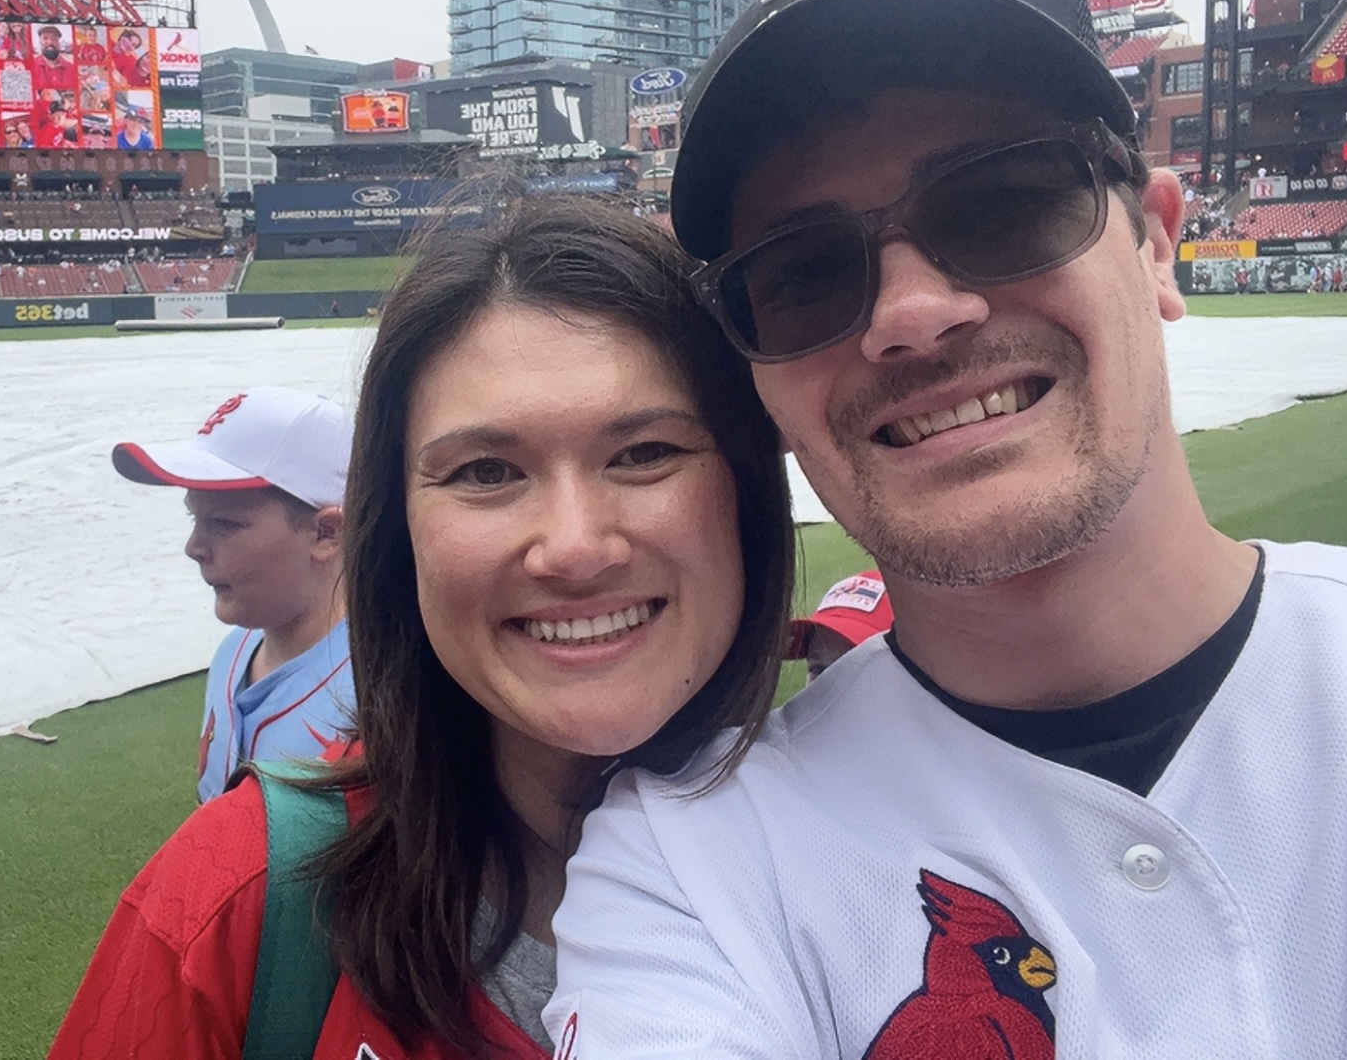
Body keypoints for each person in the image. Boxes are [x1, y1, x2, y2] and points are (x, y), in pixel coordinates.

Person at [545, 0, 1347, 1056]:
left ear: (1159, 245)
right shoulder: (691, 868)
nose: (912, 312)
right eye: (802, 275)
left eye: (1002, 205)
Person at [50, 200, 794, 1058]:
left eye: (645, 453)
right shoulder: (229, 901)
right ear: (394, 530)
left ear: (747, 494)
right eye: (486, 471)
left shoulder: (909, 864)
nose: (576, 548)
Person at [111, 386, 357, 804]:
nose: (194, 547)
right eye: (195, 516)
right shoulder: (235, 651)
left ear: (325, 533)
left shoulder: (385, 697)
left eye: (223, 523)